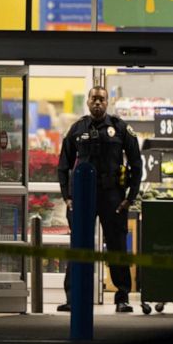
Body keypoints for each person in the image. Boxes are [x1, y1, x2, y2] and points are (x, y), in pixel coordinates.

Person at [56, 86, 142, 313]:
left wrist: (129, 198)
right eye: (93, 99)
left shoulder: (121, 128)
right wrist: (67, 198)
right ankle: (73, 299)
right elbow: (63, 165)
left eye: (101, 99)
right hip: (82, 197)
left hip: (113, 196)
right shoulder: (77, 129)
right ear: (87, 101)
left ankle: (122, 298)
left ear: (107, 102)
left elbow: (137, 164)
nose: (97, 103)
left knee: (116, 247)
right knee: (78, 246)